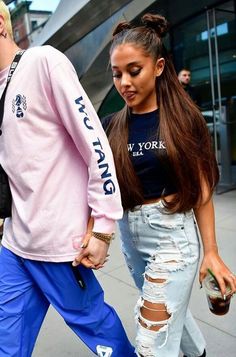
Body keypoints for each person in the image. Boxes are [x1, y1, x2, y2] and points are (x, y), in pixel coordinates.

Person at [0, 2, 136, 356]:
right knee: (6, 342)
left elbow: (95, 145)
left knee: (99, 331)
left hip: (60, 246)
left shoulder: (43, 62)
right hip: (15, 243)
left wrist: (104, 225)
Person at [100, 13, 236, 357]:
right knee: (169, 312)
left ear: (158, 67)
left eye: (134, 71)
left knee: (151, 341)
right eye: (117, 74)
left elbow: (203, 189)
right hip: (130, 239)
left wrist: (213, 252)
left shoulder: (182, 119)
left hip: (173, 237)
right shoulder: (111, 125)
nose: (124, 83)